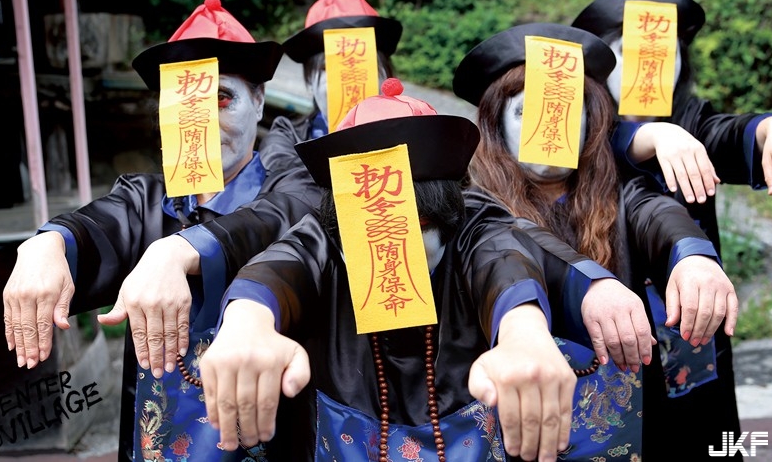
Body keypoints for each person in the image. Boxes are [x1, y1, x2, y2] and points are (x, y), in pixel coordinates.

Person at [198, 78, 658, 462]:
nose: (397, 247)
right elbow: (285, 261)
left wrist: (524, 330)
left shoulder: (475, 222)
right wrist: (246, 320)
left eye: (419, 226)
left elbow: (503, 255)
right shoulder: (327, 232)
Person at [1, 0, 317, 461]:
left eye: (221, 98)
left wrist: (180, 249)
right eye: (185, 103)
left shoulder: (292, 189)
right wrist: (48, 244)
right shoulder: (148, 199)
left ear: (258, 100)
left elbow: (283, 216)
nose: (203, 121)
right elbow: (101, 224)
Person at [452, 22, 739, 460]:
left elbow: (656, 214)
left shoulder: (616, 191)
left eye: (567, 109)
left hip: (628, 420)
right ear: (495, 124)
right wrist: (580, 291)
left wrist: (692, 256)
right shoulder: (476, 205)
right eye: (526, 111)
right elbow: (504, 245)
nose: (550, 126)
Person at [572, 0, 772, 460]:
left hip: (696, 335)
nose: (649, 65)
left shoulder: (692, 121)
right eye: (628, 52)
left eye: (666, 51)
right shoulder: (578, 140)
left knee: (711, 440)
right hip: (616, 344)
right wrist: (651, 136)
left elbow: (732, 133)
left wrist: (766, 130)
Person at [260, 0, 402, 172]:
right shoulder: (286, 140)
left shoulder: (413, 141)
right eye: (329, 68)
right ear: (310, 81)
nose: (346, 81)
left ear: (386, 76)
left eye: (364, 64)